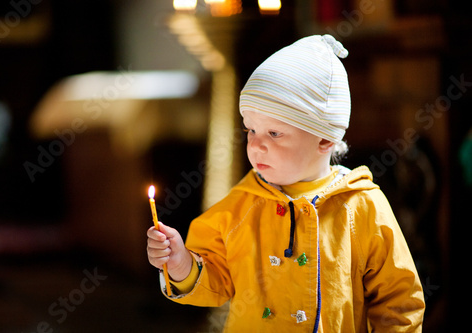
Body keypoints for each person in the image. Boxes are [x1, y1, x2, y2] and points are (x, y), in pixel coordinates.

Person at [147, 34, 425, 332]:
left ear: (324, 138)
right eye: (251, 130)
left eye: (274, 133)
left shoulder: (362, 206)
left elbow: (399, 299)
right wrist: (181, 265)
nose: (256, 145)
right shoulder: (240, 206)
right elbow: (215, 278)